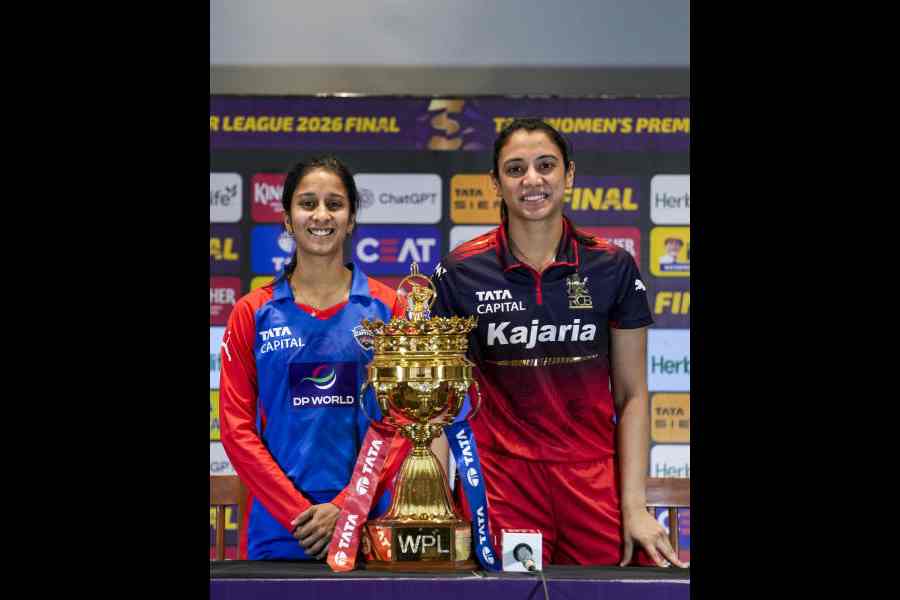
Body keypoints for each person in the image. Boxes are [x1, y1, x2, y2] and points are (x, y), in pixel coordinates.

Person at [431, 118, 687, 568]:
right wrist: (432, 506)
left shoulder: (612, 266)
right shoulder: (460, 272)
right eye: (515, 169)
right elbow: (438, 402)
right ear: (496, 183)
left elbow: (631, 394)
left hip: (592, 480)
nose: (532, 180)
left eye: (545, 165)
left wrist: (633, 504)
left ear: (568, 174)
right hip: (501, 482)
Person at [219, 155, 447, 560]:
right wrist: (301, 514)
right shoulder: (252, 312)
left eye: (334, 204)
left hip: (367, 524)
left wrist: (346, 506)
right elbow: (237, 431)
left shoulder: (389, 308)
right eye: (307, 203)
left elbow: (402, 423)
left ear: (351, 218)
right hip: (280, 529)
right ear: (288, 219)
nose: (321, 215)